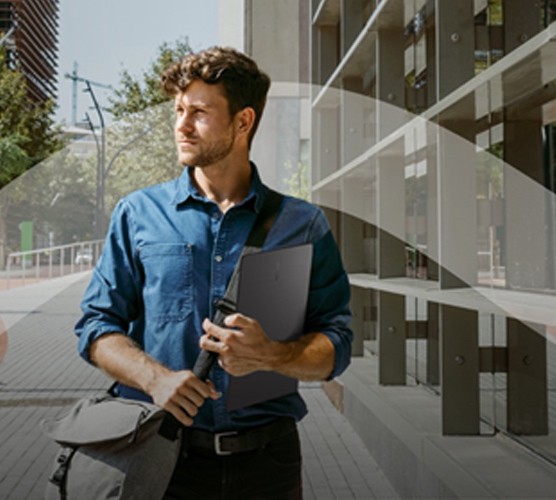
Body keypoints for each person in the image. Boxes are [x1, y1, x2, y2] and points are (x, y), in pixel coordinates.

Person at [75, 46, 352, 499]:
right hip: (157, 458)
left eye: (199, 112)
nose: (181, 125)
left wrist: (274, 356)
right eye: (179, 110)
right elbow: (95, 326)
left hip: (268, 465)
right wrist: (154, 378)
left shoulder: (302, 224)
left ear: (243, 122)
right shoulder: (137, 214)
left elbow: (336, 343)